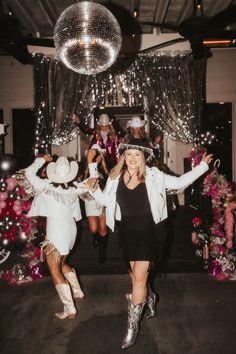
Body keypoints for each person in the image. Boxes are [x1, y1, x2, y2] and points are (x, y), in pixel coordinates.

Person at [83, 139, 213, 349]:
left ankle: (132, 327)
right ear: (123, 156)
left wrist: (203, 167)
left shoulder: (154, 175)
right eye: (129, 154)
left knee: (140, 276)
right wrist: (94, 190)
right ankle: (149, 297)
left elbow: (180, 183)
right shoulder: (115, 177)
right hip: (127, 232)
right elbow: (106, 202)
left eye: (137, 155)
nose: (133, 159)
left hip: (150, 232)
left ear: (143, 157)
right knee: (136, 276)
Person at [25, 155, 86, 320]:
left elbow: (29, 174)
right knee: (63, 262)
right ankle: (77, 291)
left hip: (56, 231)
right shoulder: (73, 190)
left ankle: (69, 308)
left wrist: (42, 159)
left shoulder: (45, 186)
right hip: (71, 230)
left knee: (55, 270)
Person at [83, 144, 109, 263]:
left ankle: (102, 250)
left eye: (99, 156)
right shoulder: (85, 170)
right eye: (95, 156)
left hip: (102, 201)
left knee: (103, 229)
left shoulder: (106, 170)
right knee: (94, 229)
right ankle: (96, 236)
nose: (98, 158)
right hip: (90, 201)